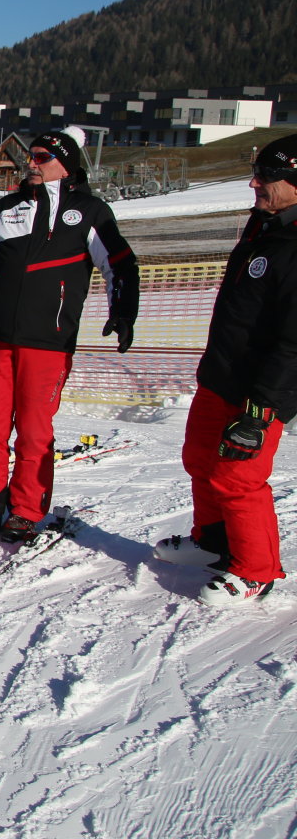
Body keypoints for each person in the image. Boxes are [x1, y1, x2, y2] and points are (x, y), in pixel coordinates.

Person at [0, 126, 138, 541]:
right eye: (30, 156)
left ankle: (26, 511)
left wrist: (123, 312)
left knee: (34, 433)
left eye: (41, 157)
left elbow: (119, 265)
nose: (31, 163)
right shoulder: (7, 208)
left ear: (65, 164)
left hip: (49, 342)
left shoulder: (89, 211)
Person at [176, 134, 297, 604]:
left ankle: (256, 570)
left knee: (238, 478)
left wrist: (260, 410)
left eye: (265, 177)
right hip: (222, 374)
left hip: (261, 391)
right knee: (199, 459)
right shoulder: (264, 224)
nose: (254, 184)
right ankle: (213, 541)